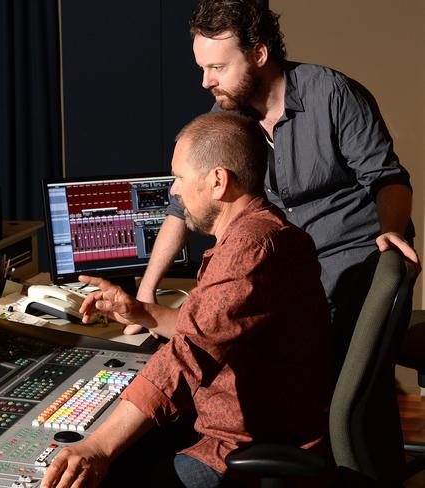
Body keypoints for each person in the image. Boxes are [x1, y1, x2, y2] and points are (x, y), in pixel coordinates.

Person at [41, 112, 332, 488]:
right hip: (235, 427)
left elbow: (189, 352)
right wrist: (139, 311)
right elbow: (211, 326)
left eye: (179, 177)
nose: (174, 191)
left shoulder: (252, 249)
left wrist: (98, 446)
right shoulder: (258, 232)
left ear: (217, 181)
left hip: (242, 451)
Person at [128, 0, 419, 336]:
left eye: (218, 68)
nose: (206, 81)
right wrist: (146, 294)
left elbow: (388, 178)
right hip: (290, 272)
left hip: (353, 265)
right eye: (202, 69)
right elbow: (181, 206)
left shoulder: (332, 94)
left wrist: (393, 229)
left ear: (259, 55)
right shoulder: (225, 120)